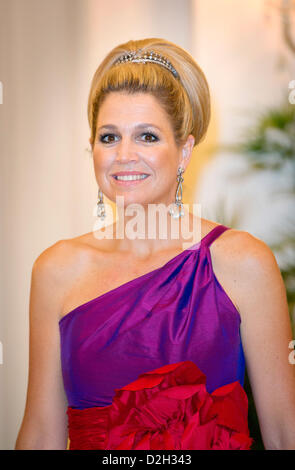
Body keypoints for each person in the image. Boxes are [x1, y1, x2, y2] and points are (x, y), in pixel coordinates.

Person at [15, 37, 295, 450]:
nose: (124, 155)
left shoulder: (241, 262)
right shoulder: (56, 270)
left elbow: (285, 432)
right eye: (109, 137)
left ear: (184, 151)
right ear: (91, 148)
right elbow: (40, 433)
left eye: (147, 137)